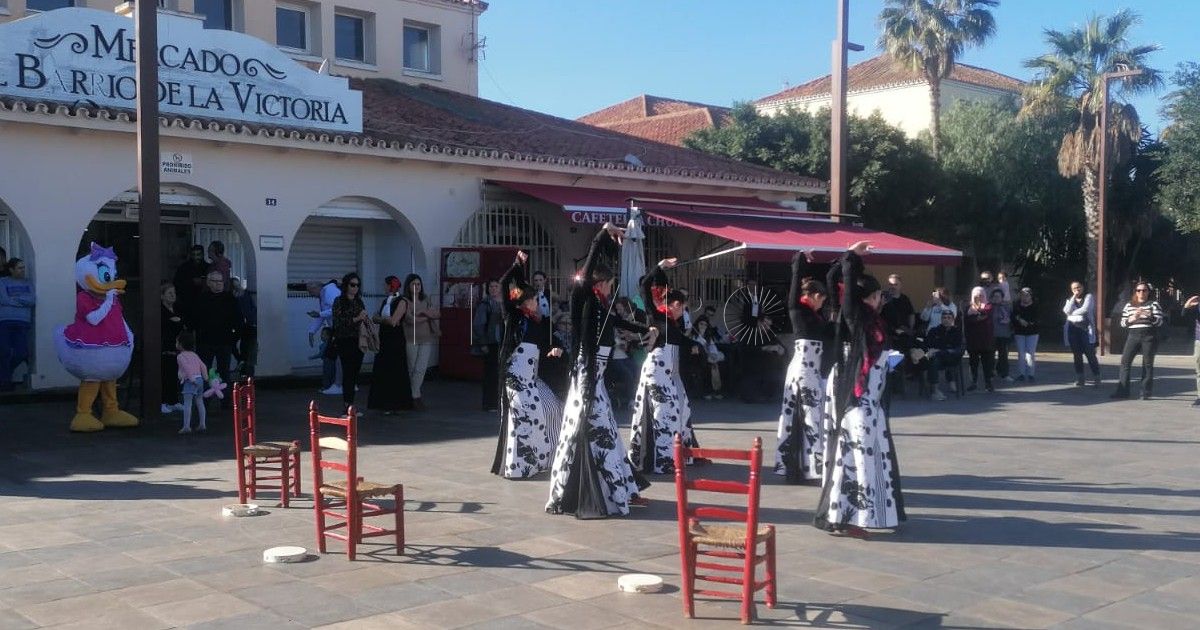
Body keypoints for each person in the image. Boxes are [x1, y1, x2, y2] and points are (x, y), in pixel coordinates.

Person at [547, 223, 650, 518]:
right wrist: (603, 233)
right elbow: (591, 259)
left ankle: (618, 488)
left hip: (597, 376)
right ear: (597, 282)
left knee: (605, 433)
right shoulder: (583, 296)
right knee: (597, 431)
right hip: (587, 373)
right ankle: (598, 490)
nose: (609, 287)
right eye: (607, 283)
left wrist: (646, 327)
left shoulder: (603, 306)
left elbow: (619, 324)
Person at [815, 241, 905, 535]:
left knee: (867, 458)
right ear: (872, 296)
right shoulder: (854, 316)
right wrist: (852, 257)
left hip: (872, 400)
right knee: (855, 458)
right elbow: (844, 288)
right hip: (857, 399)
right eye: (879, 294)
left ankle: (857, 516)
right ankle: (850, 518)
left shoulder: (874, 320)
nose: (882, 299)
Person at [491, 251, 565, 478]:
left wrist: (557, 347)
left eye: (535, 299)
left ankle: (545, 459)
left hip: (532, 377)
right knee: (527, 413)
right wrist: (517, 265)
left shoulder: (539, 322)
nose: (536, 303)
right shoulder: (512, 317)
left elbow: (550, 341)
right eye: (532, 300)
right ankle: (520, 465)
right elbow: (505, 285)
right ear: (523, 302)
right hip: (515, 376)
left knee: (554, 408)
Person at [629, 258, 699, 476]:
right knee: (664, 415)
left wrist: (695, 345)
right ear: (676, 305)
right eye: (682, 308)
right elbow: (644, 287)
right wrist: (658, 266)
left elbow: (681, 341)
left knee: (681, 410)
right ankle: (662, 460)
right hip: (657, 372)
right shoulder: (656, 315)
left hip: (671, 374)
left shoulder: (674, 324)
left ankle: (680, 454)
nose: (683, 313)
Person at [775, 250, 834, 482]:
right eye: (821, 299)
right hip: (802, 368)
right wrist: (799, 259)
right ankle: (804, 464)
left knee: (813, 415)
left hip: (813, 368)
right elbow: (793, 284)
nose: (822, 303)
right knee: (806, 415)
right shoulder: (797, 310)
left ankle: (811, 464)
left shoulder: (817, 316)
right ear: (811, 295)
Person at [193, 271, 242, 407]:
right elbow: (195, 319)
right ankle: (204, 400)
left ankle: (225, 401)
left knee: (224, 371)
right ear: (208, 283)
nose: (218, 284)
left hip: (224, 341)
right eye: (215, 281)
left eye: (220, 281)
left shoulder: (230, 299)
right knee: (205, 371)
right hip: (205, 341)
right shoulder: (202, 298)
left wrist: (233, 337)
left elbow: (238, 320)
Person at [367, 276, 413, 415]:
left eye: (385, 285)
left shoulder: (401, 301)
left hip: (395, 340)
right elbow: (375, 317)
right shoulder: (385, 301)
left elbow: (393, 321)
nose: (383, 287)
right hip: (384, 338)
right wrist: (383, 319)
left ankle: (396, 403)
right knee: (383, 370)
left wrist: (381, 319)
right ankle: (383, 403)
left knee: (394, 370)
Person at [1112, 282, 1164, 400]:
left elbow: (1160, 322)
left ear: (1148, 292)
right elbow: (1123, 323)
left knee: (1147, 364)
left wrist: (1149, 315)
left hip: (1149, 336)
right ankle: (1123, 391)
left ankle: (1145, 392)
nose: (1141, 293)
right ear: (1135, 292)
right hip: (1133, 335)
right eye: (1138, 290)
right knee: (1125, 362)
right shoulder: (1129, 305)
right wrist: (1133, 318)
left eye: (1144, 290)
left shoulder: (1154, 304)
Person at [401, 274, 440, 410]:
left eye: (418, 284)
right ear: (408, 286)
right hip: (410, 339)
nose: (416, 287)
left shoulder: (426, 299)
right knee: (411, 368)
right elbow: (410, 320)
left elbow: (437, 314)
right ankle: (413, 396)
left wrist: (423, 312)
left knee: (421, 368)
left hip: (425, 338)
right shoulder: (405, 301)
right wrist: (426, 315)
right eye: (413, 284)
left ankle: (414, 395)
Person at [332, 272, 369, 415]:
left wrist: (364, 319)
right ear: (346, 285)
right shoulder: (339, 301)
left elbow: (363, 318)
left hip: (358, 340)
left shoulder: (359, 302)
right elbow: (338, 322)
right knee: (348, 372)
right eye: (352, 285)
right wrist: (356, 318)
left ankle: (351, 405)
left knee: (354, 374)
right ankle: (346, 406)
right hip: (344, 340)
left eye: (357, 285)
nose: (355, 288)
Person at [0, 258, 35, 392]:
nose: (23, 270)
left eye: (23, 267)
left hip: (23, 321)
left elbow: (32, 300)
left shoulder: (28, 283)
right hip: (5, 320)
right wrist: (22, 300)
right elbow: (3, 299)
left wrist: (14, 300)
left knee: (21, 352)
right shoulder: (3, 282)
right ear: (11, 269)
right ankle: (5, 381)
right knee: (4, 351)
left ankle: (4, 374)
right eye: (20, 268)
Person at [1063, 281, 1102, 387]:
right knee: (1077, 355)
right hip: (1073, 330)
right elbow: (1066, 310)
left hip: (1086, 329)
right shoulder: (1070, 299)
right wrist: (1072, 299)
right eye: (1074, 288)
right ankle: (1080, 378)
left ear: (1082, 287)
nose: (1077, 290)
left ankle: (1097, 377)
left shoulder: (1088, 297)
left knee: (1090, 354)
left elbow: (1085, 309)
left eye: (1078, 287)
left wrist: (1071, 313)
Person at [473, 278, 504, 412]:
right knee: (490, 374)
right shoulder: (485, 304)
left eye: (496, 286)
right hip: (491, 342)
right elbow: (479, 325)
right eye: (491, 286)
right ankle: (490, 403)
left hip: (503, 341)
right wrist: (483, 343)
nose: (493, 289)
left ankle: (499, 402)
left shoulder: (505, 302)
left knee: (501, 374)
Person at [307, 279, 342, 395]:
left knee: (337, 358)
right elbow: (322, 315)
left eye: (310, 292)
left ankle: (338, 384)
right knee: (333, 357)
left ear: (315, 288)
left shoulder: (330, 291)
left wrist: (320, 314)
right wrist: (311, 331)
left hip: (342, 328)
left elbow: (337, 309)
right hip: (336, 329)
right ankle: (336, 384)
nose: (310, 295)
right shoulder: (323, 295)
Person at [923, 310, 963, 400]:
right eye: (944, 318)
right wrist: (931, 351)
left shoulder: (957, 332)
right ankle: (935, 391)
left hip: (951, 358)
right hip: (937, 358)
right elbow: (927, 345)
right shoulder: (934, 331)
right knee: (932, 361)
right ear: (941, 319)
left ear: (953, 320)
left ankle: (949, 382)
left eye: (949, 318)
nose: (946, 320)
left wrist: (939, 351)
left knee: (935, 358)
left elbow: (957, 350)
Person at [159, 282, 186, 413]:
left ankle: (174, 401)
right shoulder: (160, 311)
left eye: (174, 293)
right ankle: (163, 401)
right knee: (165, 374)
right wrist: (173, 321)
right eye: (169, 293)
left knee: (175, 375)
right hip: (165, 346)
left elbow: (182, 323)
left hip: (177, 346)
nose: (172, 296)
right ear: (162, 296)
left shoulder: (177, 309)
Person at [175, 331, 207, 434]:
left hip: (190, 381)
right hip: (200, 380)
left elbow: (186, 368)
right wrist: (205, 377)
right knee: (200, 401)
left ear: (180, 344)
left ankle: (186, 426)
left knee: (187, 404)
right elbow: (203, 366)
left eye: (176, 342)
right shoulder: (194, 355)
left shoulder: (180, 356)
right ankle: (202, 424)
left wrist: (191, 379)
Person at [964, 287, 995, 392]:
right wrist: (976, 316)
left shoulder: (988, 306)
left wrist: (976, 313)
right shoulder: (968, 307)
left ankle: (988, 383)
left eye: (981, 295)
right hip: (972, 340)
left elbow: (985, 315)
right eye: (976, 295)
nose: (979, 297)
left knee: (987, 363)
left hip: (985, 340)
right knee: (973, 363)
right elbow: (968, 320)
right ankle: (973, 382)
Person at [688, 318, 725, 400]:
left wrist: (713, 355)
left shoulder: (708, 337)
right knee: (707, 367)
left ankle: (716, 390)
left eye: (705, 325)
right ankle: (706, 391)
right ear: (697, 324)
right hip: (697, 359)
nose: (703, 326)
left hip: (708, 358)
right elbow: (693, 350)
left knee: (717, 366)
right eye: (701, 324)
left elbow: (713, 347)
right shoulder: (693, 336)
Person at [173, 245, 209, 322]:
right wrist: (191, 282)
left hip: (204, 304)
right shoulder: (183, 268)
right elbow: (177, 283)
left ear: (202, 255)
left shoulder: (208, 268)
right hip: (187, 304)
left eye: (198, 255)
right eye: (194, 255)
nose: (196, 257)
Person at [231, 276, 257, 378]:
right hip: (247, 325)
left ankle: (242, 363)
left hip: (242, 325)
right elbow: (252, 308)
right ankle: (244, 367)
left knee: (242, 347)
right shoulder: (245, 294)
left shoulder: (235, 296)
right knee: (246, 348)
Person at [1012, 288, 1039, 382]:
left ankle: (1031, 374)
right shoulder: (1016, 305)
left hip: (1032, 332)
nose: (1025, 297)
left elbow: (1038, 318)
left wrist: (1029, 323)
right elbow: (1013, 316)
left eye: (1027, 295)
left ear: (1031, 296)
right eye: (1022, 295)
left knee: (1030, 353)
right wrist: (1019, 320)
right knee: (1021, 353)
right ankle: (1021, 374)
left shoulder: (1035, 306)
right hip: (1019, 332)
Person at [990, 288, 1013, 382]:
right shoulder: (989, 307)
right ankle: (990, 373)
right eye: (994, 296)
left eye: (998, 296)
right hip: (992, 335)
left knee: (1003, 355)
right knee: (990, 355)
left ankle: (1004, 374)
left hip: (1004, 334)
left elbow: (1010, 319)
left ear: (1002, 298)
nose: (996, 298)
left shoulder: (1007, 307)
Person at [1183, 294, 1200, 406]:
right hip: (1199, 340)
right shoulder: (1197, 306)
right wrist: (1186, 306)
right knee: (1199, 370)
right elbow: (1183, 317)